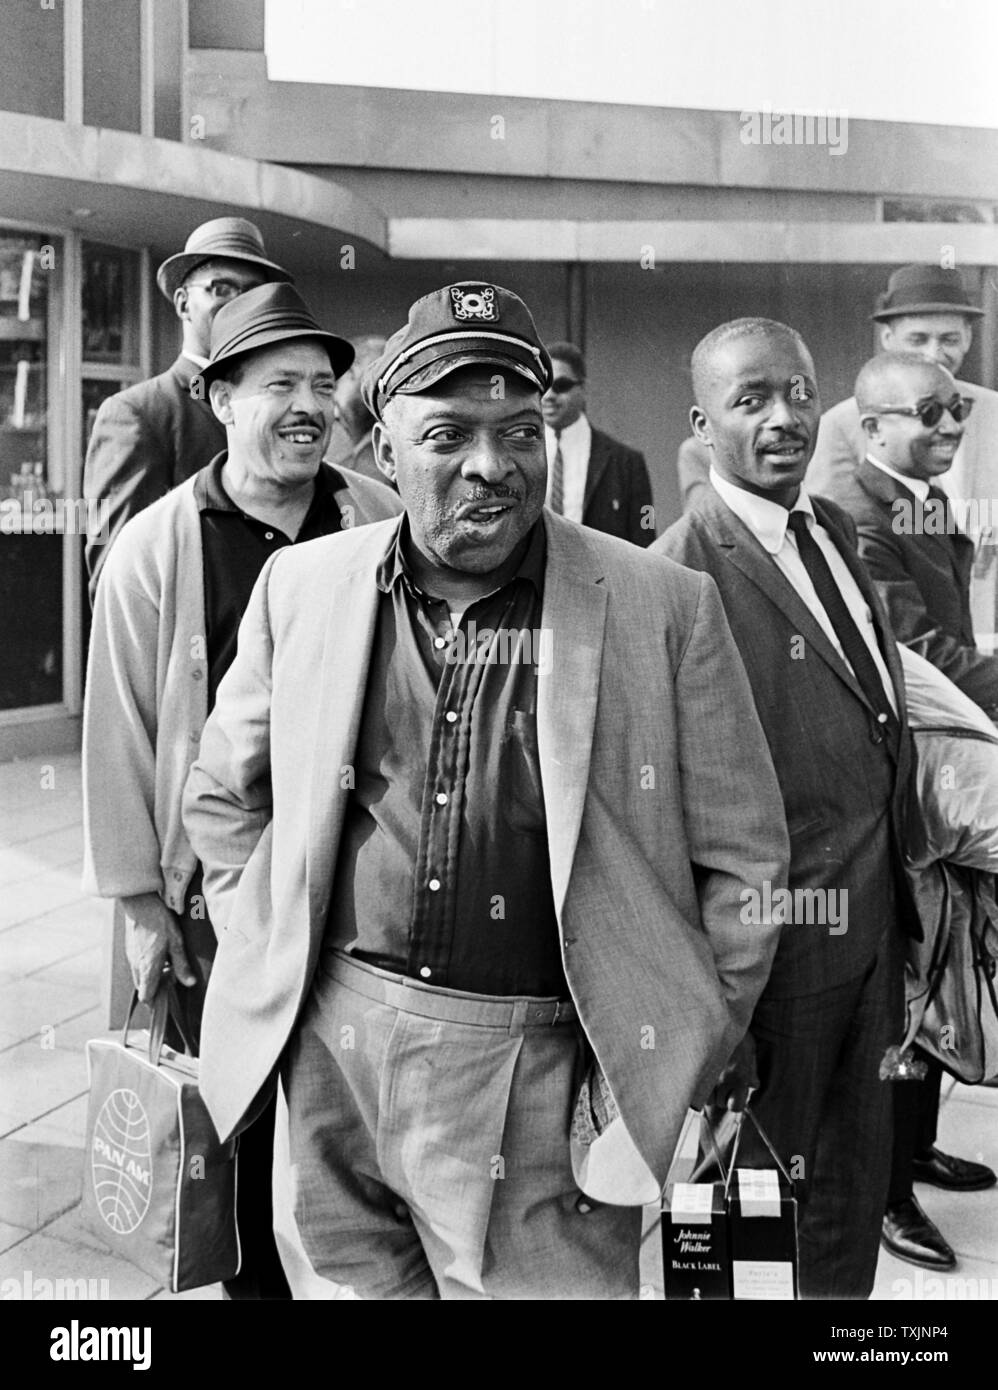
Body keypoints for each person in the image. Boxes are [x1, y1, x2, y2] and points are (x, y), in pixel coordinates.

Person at [182, 281, 789, 1300]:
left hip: (547, 1067)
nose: (491, 465)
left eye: (521, 430)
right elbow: (224, 795)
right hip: (334, 1049)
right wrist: (272, 946)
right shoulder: (304, 587)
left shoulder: (662, 604)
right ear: (382, 451)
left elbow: (746, 862)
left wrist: (673, 1043)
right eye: (449, 434)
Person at [81, 283, 403, 1300]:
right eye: (277, 385)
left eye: (321, 383)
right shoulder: (156, 546)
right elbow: (119, 731)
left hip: (357, 880)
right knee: (242, 1125)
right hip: (217, 895)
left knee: (348, 1119)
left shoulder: (377, 516)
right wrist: (139, 903)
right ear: (218, 396)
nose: (306, 404)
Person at [656, 317, 920, 1300]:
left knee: (847, 1197)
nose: (784, 418)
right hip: (766, 957)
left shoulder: (833, 529)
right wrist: (708, 992)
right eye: (750, 399)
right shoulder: (682, 568)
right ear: (701, 421)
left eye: (799, 393)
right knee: (730, 1216)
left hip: (866, 934)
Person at [822, 350, 997, 1270]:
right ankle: (886, 1194)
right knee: (908, 987)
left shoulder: (917, 498)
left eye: (955, 412)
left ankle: (915, 1150)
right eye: (926, 413)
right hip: (898, 781)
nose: (947, 428)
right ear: (872, 421)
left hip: (942, 765)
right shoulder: (857, 508)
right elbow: (910, 650)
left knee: (943, 961)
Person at [83, 217, 292, 602]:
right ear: (183, 302)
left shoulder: (281, 407)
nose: (239, 305)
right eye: (222, 288)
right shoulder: (139, 413)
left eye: (253, 293)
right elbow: (116, 578)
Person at [806, 264, 998, 644]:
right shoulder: (842, 425)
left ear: (969, 338)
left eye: (948, 339)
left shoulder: (993, 413)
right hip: (906, 638)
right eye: (918, 339)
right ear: (888, 339)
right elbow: (838, 545)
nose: (934, 354)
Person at [541, 340, 654, 545]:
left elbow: (646, 529)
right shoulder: (520, 452)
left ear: (583, 389)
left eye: (561, 386)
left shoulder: (626, 461)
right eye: (543, 385)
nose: (549, 396)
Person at [327, 334, 388, 485]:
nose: (389, 385)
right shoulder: (317, 420)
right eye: (381, 372)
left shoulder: (391, 436)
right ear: (352, 371)